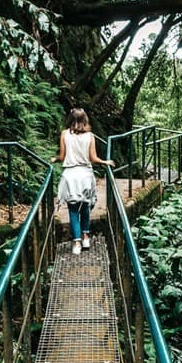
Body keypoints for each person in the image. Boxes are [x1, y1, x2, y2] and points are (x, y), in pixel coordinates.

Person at [50, 108, 114, 255]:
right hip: (85, 175)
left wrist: (54, 159)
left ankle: (77, 243)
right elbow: (93, 158)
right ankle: (86, 237)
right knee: (85, 207)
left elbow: (62, 156)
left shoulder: (64, 134)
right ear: (85, 120)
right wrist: (105, 162)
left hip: (71, 176)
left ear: (70, 120)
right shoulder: (90, 136)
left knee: (73, 210)